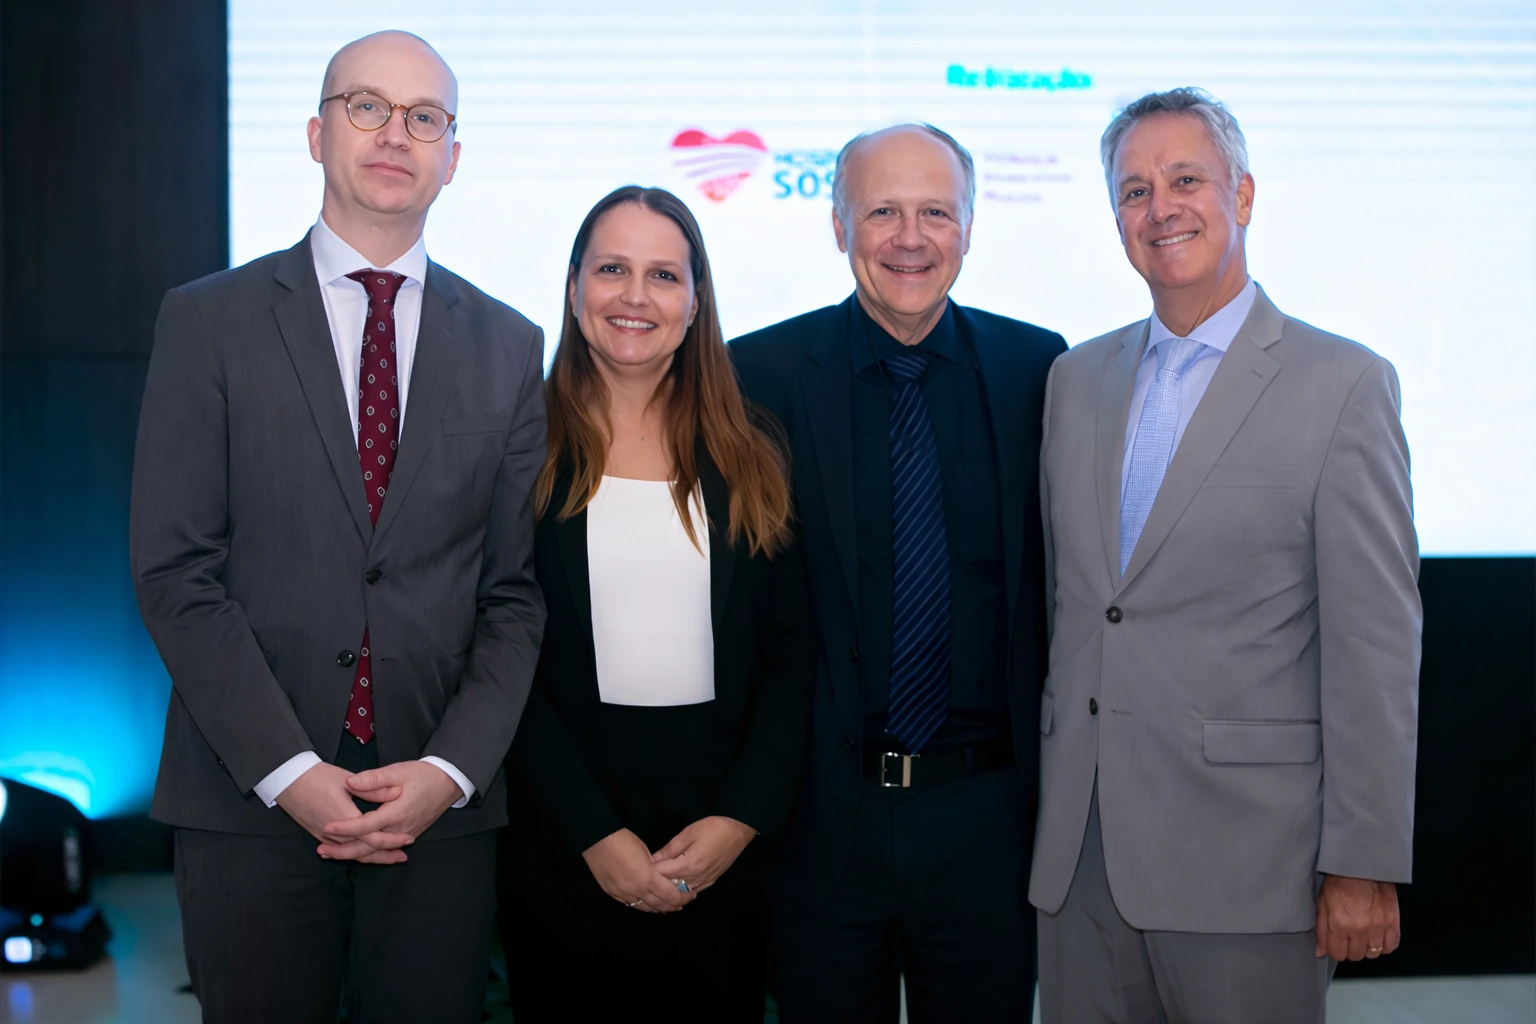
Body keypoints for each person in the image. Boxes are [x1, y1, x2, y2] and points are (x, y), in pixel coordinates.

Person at [129, 32, 546, 1024]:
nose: (395, 133)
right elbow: (177, 571)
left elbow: (513, 594)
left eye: (424, 117)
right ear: (318, 133)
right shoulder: (206, 322)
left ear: (454, 152)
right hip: (246, 801)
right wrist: (292, 772)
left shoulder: (510, 343)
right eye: (366, 107)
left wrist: (449, 772)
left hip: (435, 820)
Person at [1031, 87, 1421, 1023]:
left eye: (1186, 179)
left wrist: (1362, 861)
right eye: (1133, 189)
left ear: (1242, 195)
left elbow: (1374, 645)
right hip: (1078, 865)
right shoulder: (1073, 378)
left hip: (1250, 869)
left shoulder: (1345, 385)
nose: (1159, 207)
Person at [731, 125, 1066, 1022]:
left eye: (935, 213)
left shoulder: (1042, 370)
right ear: (838, 226)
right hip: (824, 819)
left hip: (989, 818)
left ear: (968, 227)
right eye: (882, 212)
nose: (910, 238)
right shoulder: (755, 375)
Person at [498, 185, 814, 1023]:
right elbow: (496, 659)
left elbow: (792, 658)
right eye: (612, 269)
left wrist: (741, 820)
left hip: (724, 844)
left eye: (663, 275)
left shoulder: (754, 448)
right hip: (562, 840)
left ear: (695, 299)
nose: (636, 297)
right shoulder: (515, 443)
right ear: (573, 289)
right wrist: (590, 834)